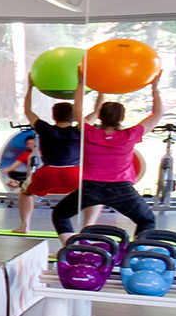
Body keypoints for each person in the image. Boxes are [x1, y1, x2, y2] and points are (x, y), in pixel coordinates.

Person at [62, 78, 164, 235]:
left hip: (91, 188)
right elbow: (157, 114)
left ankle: (70, 247)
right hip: (121, 189)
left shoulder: (88, 132)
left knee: (60, 215)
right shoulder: (130, 135)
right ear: (122, 118)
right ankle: (137, 252)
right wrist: (154, 87)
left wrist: (81, 83)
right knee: (146, 220)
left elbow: (77, 110)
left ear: (100, 117)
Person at [15, 90, 84, 232]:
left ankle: (25, 226)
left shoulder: (44, 128)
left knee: (25, 192)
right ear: (74, 117)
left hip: (48, 173)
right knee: (93, 196)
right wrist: (97, 90)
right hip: (74, 174)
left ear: (54, 116)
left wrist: (30, 86)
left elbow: (27, 110)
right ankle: (88, 226)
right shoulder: (80, 129)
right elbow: (95, 112)